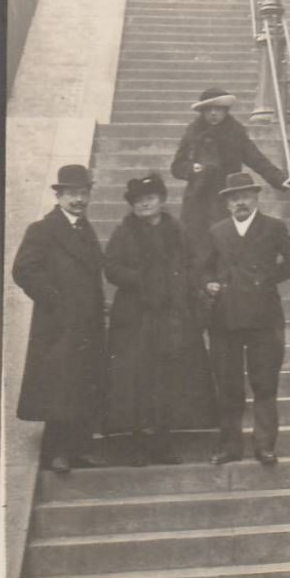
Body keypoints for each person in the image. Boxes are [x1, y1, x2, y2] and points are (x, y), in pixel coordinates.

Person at [103, 173, 216, 466]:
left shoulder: (177, 230)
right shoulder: (124, 231)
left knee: (168, 381)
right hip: (136, 320)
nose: (145, 204)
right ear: (132, 205)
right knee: (138, 381)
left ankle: (163, 444)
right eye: (139, 200)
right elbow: (111, 268)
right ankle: (139, 445)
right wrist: (142, 281)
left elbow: (193, 265)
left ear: (162, 200)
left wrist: (191, 290)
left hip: (171, 318)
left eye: (150, 198)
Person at [201, 172, 290, 466]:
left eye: (245, 196)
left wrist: (267, 278)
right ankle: (230, 446)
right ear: (227, 204)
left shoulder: (273, 228)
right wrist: (209, 284)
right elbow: (204, 269)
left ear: (256, 198)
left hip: (264, 317)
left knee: (265, 384)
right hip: (226, 317)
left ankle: (265, 445)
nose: (240, 203)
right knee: (228, 384)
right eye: (234, 199)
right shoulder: (217, 232)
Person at [12, 164, 106, 474]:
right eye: (72, 194)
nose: (79, 200)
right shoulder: (42, 229)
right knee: (59, 387)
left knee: (82, 384)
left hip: (86, 323)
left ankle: (78, 450)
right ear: (60, 195)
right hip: (58, 324)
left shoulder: (85, 228)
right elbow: (23, 270)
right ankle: (57, 453)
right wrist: (55, 300)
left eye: (83, 193)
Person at [171, 86, 290, 258]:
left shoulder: (235, 133)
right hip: (197, 199)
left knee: (224, 243)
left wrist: (280, 179)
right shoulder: (193, 132)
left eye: (218, 109)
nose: (213, 114)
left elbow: (256, 159)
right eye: (209, 110)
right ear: (203, 112)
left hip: (226, 197)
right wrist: (192, 169)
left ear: (226, 111)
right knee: (195, 245)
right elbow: (177, 167)